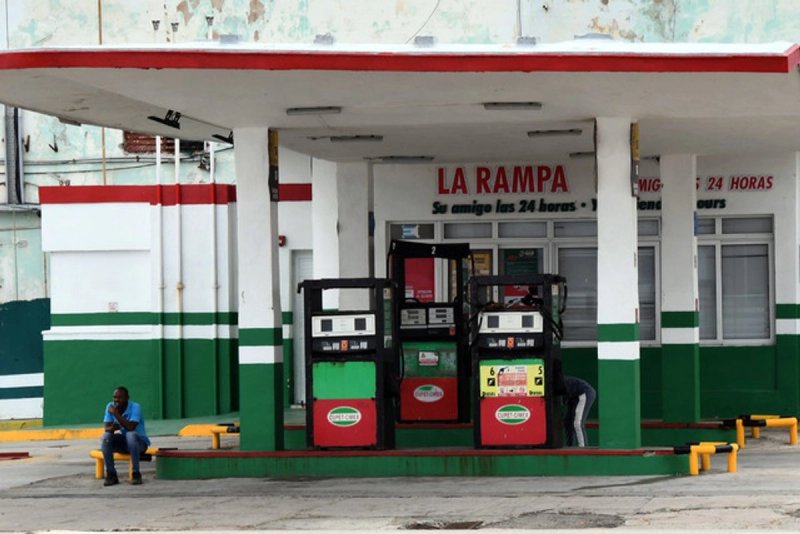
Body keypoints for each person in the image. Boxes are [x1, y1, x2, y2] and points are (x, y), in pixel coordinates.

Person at [100, 386, 150, 486]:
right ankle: (111, 474)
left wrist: (116, 414)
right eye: (114, 397)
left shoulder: (135, 407)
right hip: (125, 443)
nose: (116, 400)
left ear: (127, 398)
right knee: (105, 437)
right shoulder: (110, 406)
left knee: (130, 435)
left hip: (139, 444)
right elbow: (107, 428)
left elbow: (131, 427)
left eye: (120, 397)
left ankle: (136, 473)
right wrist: (112, 428)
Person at [562, 375, 596, 447]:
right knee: (568, 422)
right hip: (574, 397)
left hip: (585, 393)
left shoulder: (561, 383)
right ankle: (570, 447)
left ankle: (583, 448)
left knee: (578, 423)